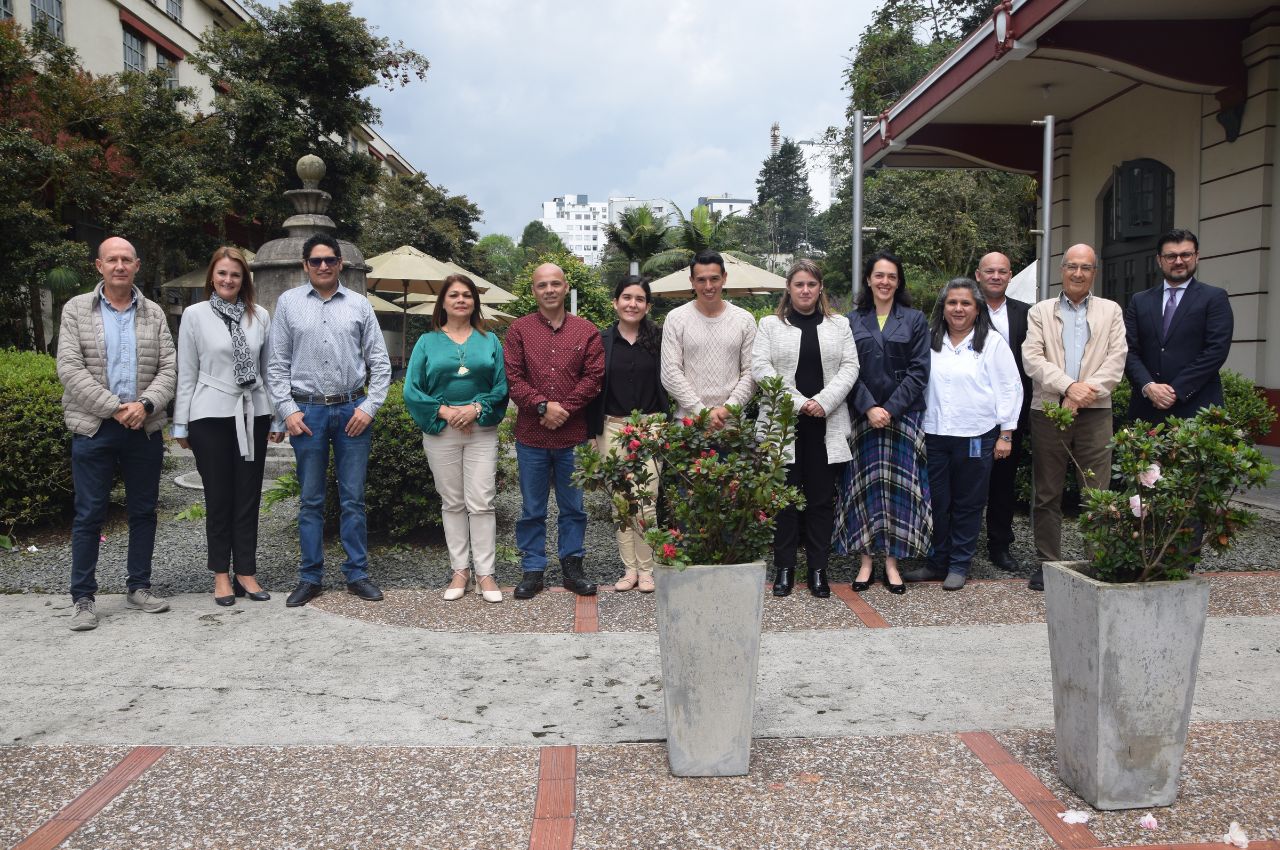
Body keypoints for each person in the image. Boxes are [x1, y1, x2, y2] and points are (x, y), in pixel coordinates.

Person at [57, 236, 176, 631]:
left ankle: (138, 586)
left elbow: (169, 370)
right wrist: (115, 407)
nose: (120, 266)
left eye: (127, 259)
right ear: (99, 266)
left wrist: (143, 406)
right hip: (94, 427)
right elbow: (70, 368)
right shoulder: (76, 309)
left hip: (143, 428)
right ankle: (83, 598)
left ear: (137, 266)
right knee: (90, 513)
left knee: (143, 511)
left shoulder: (154, 313)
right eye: (113, 260)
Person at [266, 233, 392, 608]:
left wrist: (369, 407)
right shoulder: (288, 304)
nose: (323, 266)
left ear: (340, 264)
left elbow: (380, 364)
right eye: (316, 260)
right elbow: (276, 364)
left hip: (352, 411)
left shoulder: (359, 305)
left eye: (330, 260)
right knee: (311, 500)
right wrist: (287, 411)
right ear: (305, 265)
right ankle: (310, 577)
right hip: (308, 414)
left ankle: (357, 574)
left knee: (353, 498)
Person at [173, 247, 281, 606]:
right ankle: (221, 573)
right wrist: (180, 425)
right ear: (211, 277)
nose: (228, 280)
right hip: (209, 415)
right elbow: (186, 372)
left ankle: (246, 572)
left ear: (244, 279)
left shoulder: (260, 315)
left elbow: (268, 371)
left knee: (247, 497)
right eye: (222, 273)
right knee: (218, 497)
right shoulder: (194, 315)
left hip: (253, 412)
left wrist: (277, 415)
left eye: (235, 274)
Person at [1022, 244, 1127, 591]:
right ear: (1062, 270)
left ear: (1094, 272)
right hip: (1049, 410)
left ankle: (1096, 562)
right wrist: (1068, 388)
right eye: (1072, 266)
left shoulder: (1111, 311)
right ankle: (1047, 562)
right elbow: (1033, 359)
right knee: (1047, 491)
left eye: (1086, 267)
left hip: (1096, 412)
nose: (1078, 273)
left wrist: (1083, 395)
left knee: (1096, 492)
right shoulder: (1040, 311)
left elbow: (1116, 360)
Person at [751, 260, 859, 598]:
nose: (805, 290)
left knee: (820, 503)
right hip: (784, 425)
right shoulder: (770, 324)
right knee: (784, 502)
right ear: (789, 288)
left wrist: (823, 401)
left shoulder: (838, 325)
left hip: (825, 426)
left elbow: (850, 366)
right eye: (799, 284)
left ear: (820, 288)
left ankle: (817, 570)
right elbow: (759, 367)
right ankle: (784, 568)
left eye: (811, 284)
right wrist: (799, 403)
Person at [907, 279, 1022, 591]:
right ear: (942, 308)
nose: (958, 309)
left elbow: (1011, 388)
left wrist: (1006, 434)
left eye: (965, 303)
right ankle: (937, 561)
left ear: (977, 309)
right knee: (936, 502)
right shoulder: (929, 340)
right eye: (952, 303)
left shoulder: (992, 343)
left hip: (976, 435)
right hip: (934, 433)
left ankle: (959, 564)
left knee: (968, 503)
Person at [403, 274, 509, 603]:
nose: (461, 300)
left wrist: (477, 408)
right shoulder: (427, 342)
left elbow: (501, 387)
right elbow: (412, 389)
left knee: (481, 501)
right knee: (452, 502)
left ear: (475, 302)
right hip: (442, 430)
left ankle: (486, 574)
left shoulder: (490, 340)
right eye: (454, 295)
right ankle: (460, 571)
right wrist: (446, 412)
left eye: (467, 295)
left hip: (481, 430)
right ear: (443, 302)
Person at [504, 262, 605, 599]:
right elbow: (513, 379)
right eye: (541, 285)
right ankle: (533, 569)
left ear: (565, 287)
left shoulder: (586, 331)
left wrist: (564, 410)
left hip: (572, 437)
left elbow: (594, 378)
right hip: (531, 437)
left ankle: (572, 566)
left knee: (573, 507)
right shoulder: (518, 331)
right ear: (533, 291)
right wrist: (543, 406)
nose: (548, 290)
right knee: (532, 508)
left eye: (554, 284)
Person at [834, 252, 931, 594]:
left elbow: (920, 372)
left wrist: (888, 408)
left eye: (891, 276)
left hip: (902, 417)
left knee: (898, 491)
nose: (885, 282)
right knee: (864, 491)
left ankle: (892, 562)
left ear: (898, 281)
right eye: (879, 275)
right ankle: (865, 562)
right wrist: (870, 407)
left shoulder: (915, 319)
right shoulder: (850, 320)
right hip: (862, 418)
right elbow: (846, 370)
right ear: (869, 280)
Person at [586, 276, 668, 593]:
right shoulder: (602, 341)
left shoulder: (659, 339)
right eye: (626, 297)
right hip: (612, 427)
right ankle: (629, 570)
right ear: (615, 302)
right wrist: (592, 433)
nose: (632, 303)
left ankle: (647, 571)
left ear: (647, 305)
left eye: (639, 298)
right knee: (621, 502)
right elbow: (593, 390)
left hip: (650, 427)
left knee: (646, 501)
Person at [1124, 228, 1233, 423]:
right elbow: (1128, 350)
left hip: (1196, 407)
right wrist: (1149, 386)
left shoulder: (1214, 298)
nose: (1179, 261)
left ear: (1196, 256)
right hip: (1146, 409)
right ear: (1159, 260)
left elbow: (1216, 351)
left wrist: (1175, 390)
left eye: (1186, 254)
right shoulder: (1139, 301)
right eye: (1171, 256)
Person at [976, 252, 1032, 573]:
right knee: (970, 482)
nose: (996, 276)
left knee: (1004, 482)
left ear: (1010, 275)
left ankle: (1000, 544)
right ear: (978, 275)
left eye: (1002, 271)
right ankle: (963, 543)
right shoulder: (963, 309)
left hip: (1013, 411)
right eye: (989, 271)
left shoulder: (1026, 313)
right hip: (973, 415)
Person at [660, 249, 756, 427]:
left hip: (732, 424)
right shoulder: (675, 318)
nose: (708, 286)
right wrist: (701, 412)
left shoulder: (745, 320)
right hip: (688, 423)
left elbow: (751, 373)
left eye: (714, 278)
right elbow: (670, 373)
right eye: (701, 280)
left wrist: (728, 409)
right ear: (691, 281)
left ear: (724, 278)